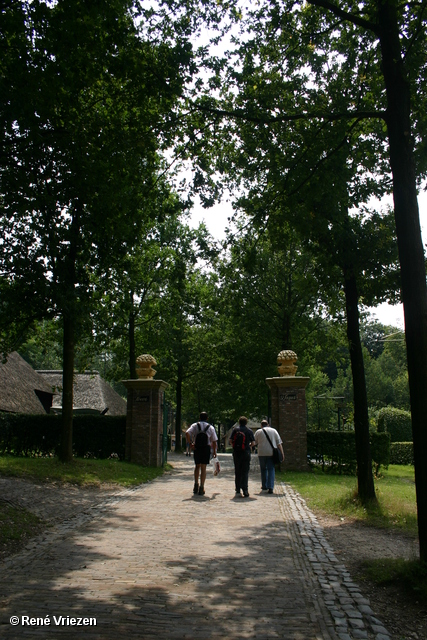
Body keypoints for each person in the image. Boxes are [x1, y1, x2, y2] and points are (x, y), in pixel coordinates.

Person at [186, 412, 218, 496]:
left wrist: (190, 444)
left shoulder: (195, 425)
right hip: (206, 448)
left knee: (197, 466)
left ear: (199, 417)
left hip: (197, 448)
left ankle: (196, 484)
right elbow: (214, 441)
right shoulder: (210, 427)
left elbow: (187, 433)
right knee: (204, 468)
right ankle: (202, 487)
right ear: (207, 418)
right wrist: (214, 452)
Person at [254, 419, 284, 494]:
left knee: (263, 469)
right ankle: (270, 487)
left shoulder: (258, 432)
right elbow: (279, 443)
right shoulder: (274, 431)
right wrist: (282, 453)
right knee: (271, 469)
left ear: (261, 425)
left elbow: (254, 442)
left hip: (261, 453)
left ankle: (264, 485)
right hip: (271, 453)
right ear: (268, 424)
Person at [229, 416, 255, 497]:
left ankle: (237, 488)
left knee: (237, 470)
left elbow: (230, 440)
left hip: (237, 453)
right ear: (246, 423)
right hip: (246, 452)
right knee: (245, 471)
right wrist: (249, 445)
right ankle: (245, 489)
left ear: (239, 422)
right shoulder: (249, 431)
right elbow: (253, 443)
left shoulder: (235, 430)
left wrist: (235, 445)